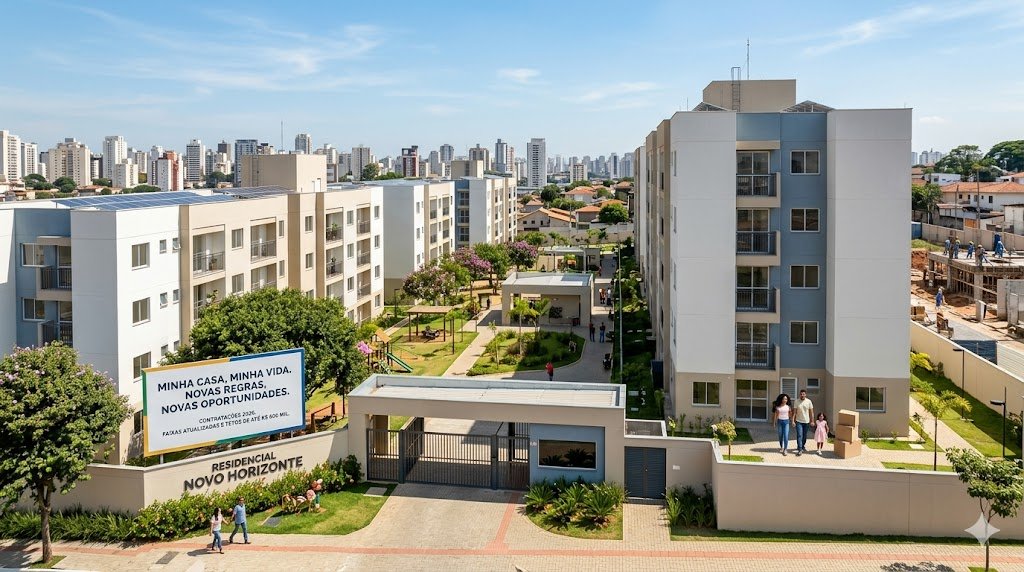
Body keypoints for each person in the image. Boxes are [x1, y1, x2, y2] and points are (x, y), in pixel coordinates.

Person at [792, 389, 815, 456]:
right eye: (801, 394)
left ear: (805, 394)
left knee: (804, 436)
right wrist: (793, 421)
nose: (802, 395)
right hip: (798, 421)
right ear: (800, 394)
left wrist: (812, 421)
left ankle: (802, 446)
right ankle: (800, 449)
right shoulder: (796, 401)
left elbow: (811, 412)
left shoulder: (809, 401)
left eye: (803, 394)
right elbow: (794, 412)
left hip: (806, 422)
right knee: (799, 435)